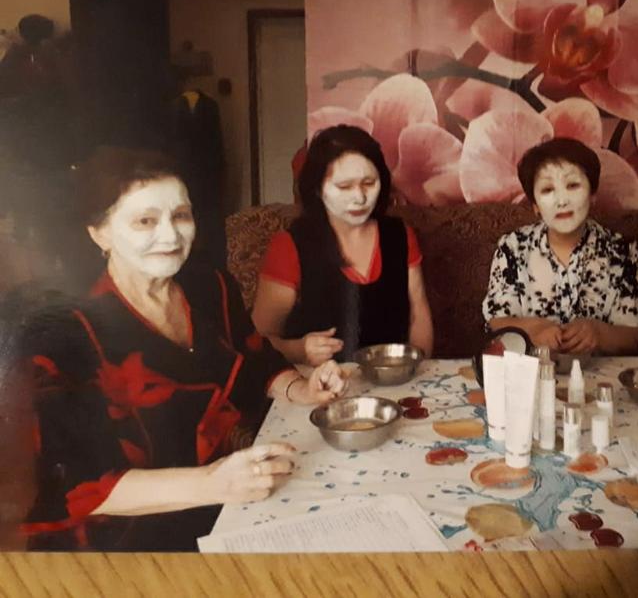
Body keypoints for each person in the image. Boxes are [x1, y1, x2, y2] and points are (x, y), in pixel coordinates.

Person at [18, 146, 347, 551]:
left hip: (223, 504)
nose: (170, 235)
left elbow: (253, 358)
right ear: (99, 232)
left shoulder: (210, 287)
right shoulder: (65, 332)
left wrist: (301, 389)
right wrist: (212, 483)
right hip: (121, 544)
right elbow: (77, 486)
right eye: (145, 221)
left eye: (180, 215)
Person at [253, 125, 433, 365]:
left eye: (369, 183)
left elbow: (418, 315)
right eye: (344, 187)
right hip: (316, 380)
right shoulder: (290, 246)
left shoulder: (399, 236)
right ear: (317, 189)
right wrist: (298, 350)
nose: (360, 197)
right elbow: (258, 340)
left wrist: (417, 367)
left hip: (392, 377)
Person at [482, 138, 638, 354]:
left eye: (572, 185)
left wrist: (598, 333)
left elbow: (634, 335)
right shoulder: (512, 247)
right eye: (547, 189)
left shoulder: (622, 250)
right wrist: (534, 330)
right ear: (535, 206)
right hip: (531, 370)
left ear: (592, 194)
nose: (562, 201)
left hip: (599, 371)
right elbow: (496, 321)